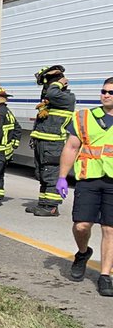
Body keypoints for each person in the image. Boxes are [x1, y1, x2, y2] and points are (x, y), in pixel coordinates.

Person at [56, 76, 113, 296]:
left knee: (109, 229)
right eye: (104, 91)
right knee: (82, 226)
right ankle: (82, 253)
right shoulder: (84, 117)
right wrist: (62, 177)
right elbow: (71, 147)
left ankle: (105, 275)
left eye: (110, 92)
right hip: (89, 179)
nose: (106, 95)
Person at [28, 64, 75, 216]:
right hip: (43, 142)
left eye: (49, 81)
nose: (47, 85)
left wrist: (57, 82)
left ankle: (51, 207)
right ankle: (43, 203)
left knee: (50, 173)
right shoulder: (51, 98)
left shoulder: (65, 98)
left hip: (53, 143)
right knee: (42, 173)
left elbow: (52, 93)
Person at [0, 87, 22, 206]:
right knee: (0, 173)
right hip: (5, 150)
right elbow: (18, 128)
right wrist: (13, 144)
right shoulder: (7, 111)